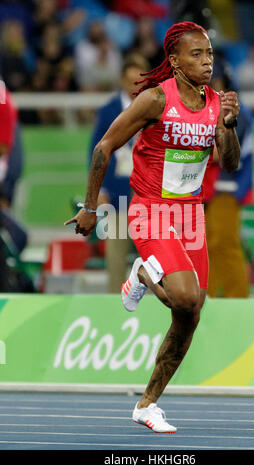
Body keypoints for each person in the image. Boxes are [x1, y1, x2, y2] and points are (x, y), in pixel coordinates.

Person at [65, 21, 240, 433]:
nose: (207, 61)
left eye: (210, 54)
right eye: (196, 55)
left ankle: (147, 404)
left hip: (190, 216)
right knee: (182, 296)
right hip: (149, 209)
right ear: (175, 61)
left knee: (192, 312)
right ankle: (143, 270)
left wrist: (229, 126)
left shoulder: (215, 103)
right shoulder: (154, 100)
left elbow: (229, 163)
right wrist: (90, 207)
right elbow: (104, 146)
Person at [88, 53, 149, 293]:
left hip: (148, 199)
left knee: (155, 259)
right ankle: (114, 304)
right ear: (122, 80)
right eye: (131, 80)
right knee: (116, 255)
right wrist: (100, 189)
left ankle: (158, 308)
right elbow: (97, 152)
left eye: (140, 80)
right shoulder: (108, 111)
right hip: (118, 196)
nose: (135, 85)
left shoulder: (156, 108)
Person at [203, 56, 254, 298]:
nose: (213, 86)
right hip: (204, 191)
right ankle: (208, 298)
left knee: (225, 245)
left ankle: (237, 298)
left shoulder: (236, 112)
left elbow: (226, 153)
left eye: (216, 81)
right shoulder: (205, 107)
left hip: (225, 188)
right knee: (206, 248)